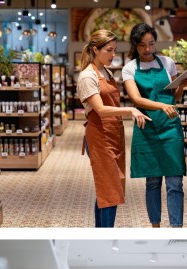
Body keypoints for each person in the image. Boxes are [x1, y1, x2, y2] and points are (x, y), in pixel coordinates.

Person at [76, 29, 151, 228]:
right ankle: (105, 236)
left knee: (109, 189)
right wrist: (130, 110)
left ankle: (99, 233)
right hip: (100, 136)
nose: (113, 55)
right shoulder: (87, 76)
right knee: (110, 190)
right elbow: (100, 110)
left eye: (115, 50)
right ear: (95, 49)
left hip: (114, 134)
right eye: (109, 50)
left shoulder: (106, 72)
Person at [123, 23, 187, 228]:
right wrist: (161, 105)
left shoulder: (167, 63)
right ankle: (156, 227)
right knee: (152, 182)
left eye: (151, 44)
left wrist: (182, 87)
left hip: (170, 128)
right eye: (143, 45)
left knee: (175, 183)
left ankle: (176, 229)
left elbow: (173, 98)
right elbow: (136, 99)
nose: (148, 49)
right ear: (136, 45)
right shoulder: (130, 68)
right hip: (148, 129)